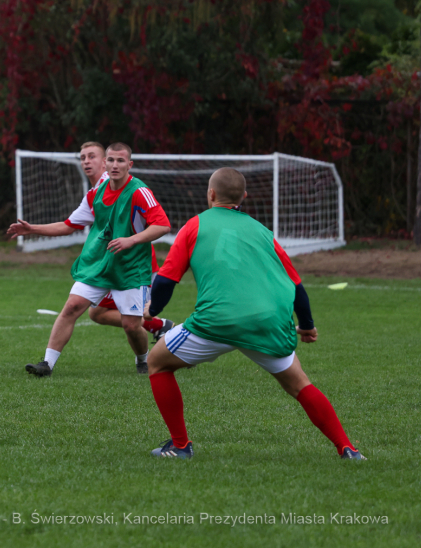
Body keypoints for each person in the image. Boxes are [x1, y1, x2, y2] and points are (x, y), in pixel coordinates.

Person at [143, 168, 365, 460]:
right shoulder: (263, 232)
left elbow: (165, 281)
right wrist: (307, 325)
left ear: (210, 194)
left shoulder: (194, 225)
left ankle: (181, 446)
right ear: (244, 197)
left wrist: (152, 310)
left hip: (217, 322)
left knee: (157, 361)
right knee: (299, 384)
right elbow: (297, 286)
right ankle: (347, 448)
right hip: (268, 322)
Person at [8, 142, 171, 376]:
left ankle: (143, 359)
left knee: (131, 325)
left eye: (120, 161)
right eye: (111, 160)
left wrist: (131, 240)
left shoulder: (139, 191)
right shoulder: (95, 193)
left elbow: (163, 225)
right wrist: (32, 229)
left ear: (129, 164)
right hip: (99, 266)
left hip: (130, 268)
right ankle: (47, 363)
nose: (114, 165)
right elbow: (68, 225)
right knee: (72, 306)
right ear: (107, 163)